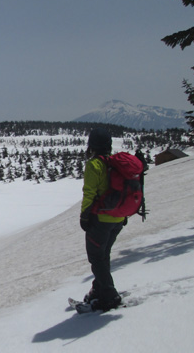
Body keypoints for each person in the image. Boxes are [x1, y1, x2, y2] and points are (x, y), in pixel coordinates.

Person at [79, 128, 125, 312]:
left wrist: (84, 216)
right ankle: (98, 289)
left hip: (101, 219)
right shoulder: (115, 163)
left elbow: (89, 193)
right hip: (119, 217)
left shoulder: (94, 165)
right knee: (103, 255)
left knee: (96, 258)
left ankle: (109, 295)